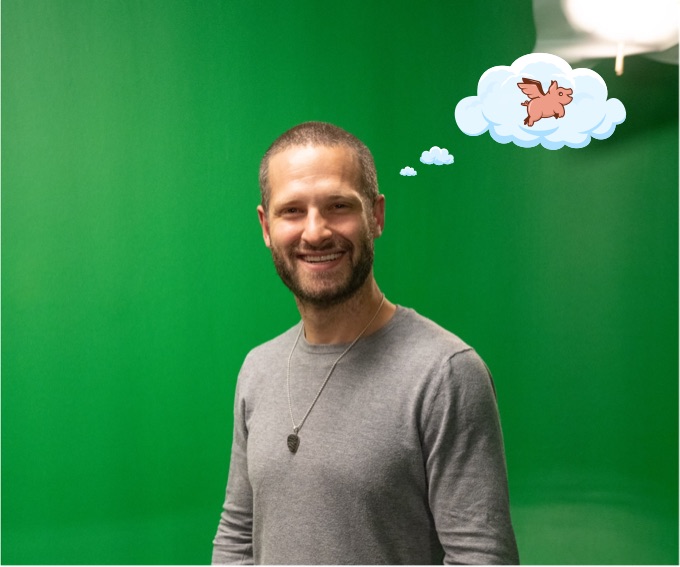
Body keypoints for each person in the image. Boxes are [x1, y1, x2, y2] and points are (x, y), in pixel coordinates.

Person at [212, 121, 519, 565]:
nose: (315, 232)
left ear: (376, 216)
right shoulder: (257, 368)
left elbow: (482, 558)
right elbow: (238, 536)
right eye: (292, 211)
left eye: (338, 206)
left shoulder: (445, 373)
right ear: (266, 226)